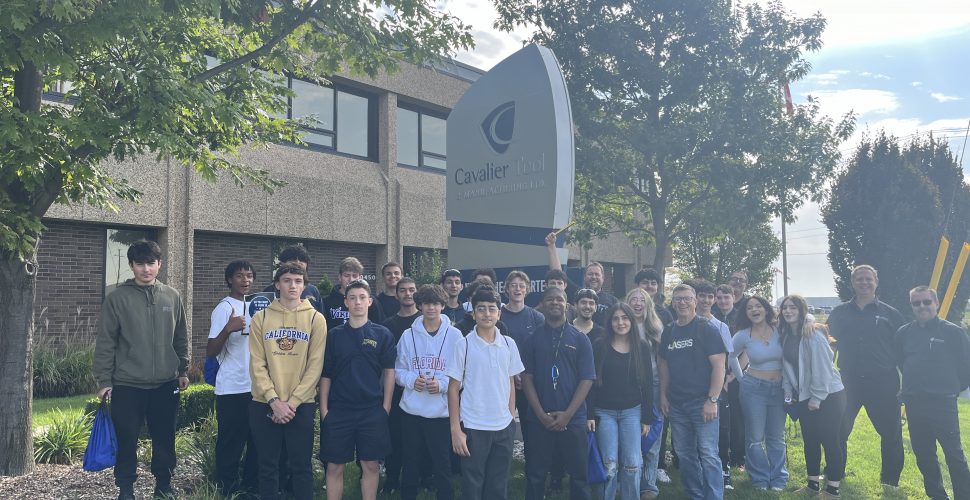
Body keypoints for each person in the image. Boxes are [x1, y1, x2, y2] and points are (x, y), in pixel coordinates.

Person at [94, 240, 189, 500]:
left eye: (151, 263)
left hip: (165, 383)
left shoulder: (172, 296)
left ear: (160, 264)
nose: (146, 269)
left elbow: (181, 335)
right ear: (131, 266)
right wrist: (104, 380)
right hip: (127, 384)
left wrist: (183, 369)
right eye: (140, 264)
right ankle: (126, 489)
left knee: (165, 438)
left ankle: (163, 486)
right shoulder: (116, 298)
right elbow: (105, 342)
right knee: (126, 440)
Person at [248, 263, 327, 500]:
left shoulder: (316, 318)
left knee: (301, 467)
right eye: (287, 280)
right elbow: (256, 364)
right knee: (268, 467)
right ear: (277, 284)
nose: (293, 285)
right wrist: (274, 401)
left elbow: (315, 366)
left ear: (304, 285)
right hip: (264, 402)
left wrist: (291, 403)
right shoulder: (261, 317)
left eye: (298, 281)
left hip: (300, 405)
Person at [827, 264, 905, 488]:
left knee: (891, 433)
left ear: (876, 282)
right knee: (838, 430)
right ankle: (835, 474)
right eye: (859, 279)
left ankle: (890, 481)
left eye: (868, 279)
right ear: (852, 282)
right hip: (847, 381)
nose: (864, 282)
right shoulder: (839, 313)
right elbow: (829, 347)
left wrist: (906, 384)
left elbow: (902, 350)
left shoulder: (890, 313)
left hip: (884, 382)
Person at [319, 279, 396, 500]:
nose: (357, 302)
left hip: (371, 410)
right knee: (334, 467)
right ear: (345, 302)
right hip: (339, 410)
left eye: (362, 297)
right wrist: (324, 410)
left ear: (370, 301)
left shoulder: (382, 334)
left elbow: (389, 372)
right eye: (352, 298)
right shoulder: (334, 335)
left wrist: (386, 406)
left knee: (370, 465)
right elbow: (326, 374)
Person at [446, 287, 525, 500]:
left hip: (503, 427)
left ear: (499, 313)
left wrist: (510, 416)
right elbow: (453, 388)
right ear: (473, 313)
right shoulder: (463, 345)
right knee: (473, 485)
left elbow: (510, 381)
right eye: (481, 309)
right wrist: (456, 429)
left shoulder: (509, 344)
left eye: (492, 309)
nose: (487, 314)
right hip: (473, 426)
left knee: (498, 486)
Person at [895, 286, 970, 500]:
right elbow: (902, 362)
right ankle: (937, 496)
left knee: (954, 455)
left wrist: (950, 388)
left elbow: (966, 366)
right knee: (924, 454)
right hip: (915, 404)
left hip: (943, 404)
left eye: (926, 302)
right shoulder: (904, 333)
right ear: (912, 306)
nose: (922, 306)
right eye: (916, 303)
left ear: (936, 303)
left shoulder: (953, 332)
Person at [521, 286, 596, 500]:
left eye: (559, 300)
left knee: (579, 475)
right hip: (538, 419)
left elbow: (587, 379)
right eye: (550, 299)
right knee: (535, 474)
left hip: (573, 419)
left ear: (567, 305)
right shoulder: (532, 339)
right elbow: (526, 379)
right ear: (543, 305)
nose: (555, 303)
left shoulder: (580, 339)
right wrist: (540, 415)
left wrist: (567, 415)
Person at [658, 284, 725, 500]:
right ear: (673, 302)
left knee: (708, 454)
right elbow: (663, 364)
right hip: (677, 404)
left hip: (702, 402)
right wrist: (663, 395)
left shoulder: (706, 328)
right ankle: (695, 495)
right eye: (678, 299)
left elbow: (719, 366)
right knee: (685, 455)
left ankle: (714, 496)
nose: (682, 303)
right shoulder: (669, 331)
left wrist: (712, 399)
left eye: (687, 298)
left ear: (695, 301)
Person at [395, 284, 462, 500]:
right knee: (410, 461)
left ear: (442, 306)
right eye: (426, 303)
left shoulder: (455, 335)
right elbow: (398, 372)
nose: (431, 308)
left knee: (442, 464)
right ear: (420, 305)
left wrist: (441, 385)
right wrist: (412, 380)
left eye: (436, 303)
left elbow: (461, 375)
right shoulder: (407, 335)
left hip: (440, 414)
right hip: (411, 412)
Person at [779, 295, 846, 498]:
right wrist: (789, 394)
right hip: (804, 396)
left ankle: (833, 489)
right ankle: (812, 485)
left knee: (830, 440)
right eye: (785, 308)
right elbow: (788, 369)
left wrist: (817, 398)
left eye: (793, 308)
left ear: (801, 311)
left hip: (829, 395)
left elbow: (823, 369)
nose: (788, 311)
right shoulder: (786, 334)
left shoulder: (813, 334)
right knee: (810, 441)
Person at [587, 303, 654, 500]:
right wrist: (589, 414)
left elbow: (649, 384)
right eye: (616, 318)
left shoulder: (641, 346)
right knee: (609, 464)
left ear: (631, 321)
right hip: (604, 412)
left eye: (625, 318)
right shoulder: (599, 345)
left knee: (633, 464)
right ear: (610, 322)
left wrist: (647, 418)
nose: (621, 322)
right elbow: (589, 382)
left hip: (632, 412)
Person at [207, 260, 259, 496]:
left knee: (255, 440)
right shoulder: (224, 308)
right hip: (232, 387)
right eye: (239, 276)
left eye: (249, 276)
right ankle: (227, 487)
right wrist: (228, 328)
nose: (245, 280)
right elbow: (211, 350)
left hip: (257, 387)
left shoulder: (258, 306)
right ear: (229, 280)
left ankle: (250, 485)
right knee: (231, 441)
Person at [688, 279, 742, 492]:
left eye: (711, 296)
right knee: (693, 432)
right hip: (690, 387)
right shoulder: (684, 323)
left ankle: (724, 470)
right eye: (703, 295)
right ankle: (697, 471)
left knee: (722, 430)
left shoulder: (720, 326)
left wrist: (730, 379)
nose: (707, 300)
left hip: (715, 387)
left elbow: (730, 356)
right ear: (695, 298)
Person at [731, 295, 788, 491]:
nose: (754, 310)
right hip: (753, 389)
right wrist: (741, 379)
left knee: (776, 437)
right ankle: (760, 478)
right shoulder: (743, 335)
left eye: (758, 306)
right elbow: (730, 356)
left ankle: (779, 478)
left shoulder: (780, 331)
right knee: (755, 437)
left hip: (779, 388)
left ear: (766, 309)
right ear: (746, 313)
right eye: (749, 308)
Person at [380, 277, 420, 494]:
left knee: (420, 436)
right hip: (395, 389)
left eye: (412, 290)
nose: (407, 293)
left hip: (424, 389)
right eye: (403, 290)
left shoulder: (426, 321)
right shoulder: (388, 326)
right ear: (396, 295)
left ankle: (423, 476)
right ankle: (393, 477)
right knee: (395, 434)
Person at [545, 231, 618, 323]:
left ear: (603, 278)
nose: (593, 277)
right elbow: (558, 274)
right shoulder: (577, 293)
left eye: (597, 274)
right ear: (584, 277)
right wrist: (551, 246)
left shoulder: (613, 301)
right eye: (590, 274)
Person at [714, 283, 745, 470]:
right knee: (720, 417)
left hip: (737, 375)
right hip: (717, 375)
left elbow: (746, 350)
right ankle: (720, 453)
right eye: (720, 297)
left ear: (733, 298)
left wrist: (733, 375)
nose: (723, 301)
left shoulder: (741, 318)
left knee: (737, 417)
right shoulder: (712, 318)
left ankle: (738, 456)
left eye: (727, 297)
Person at [323, 256, 384, 330]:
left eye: (354, 276)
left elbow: (379, 328)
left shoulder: (370, 302)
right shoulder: (327, 302)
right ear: (339, 277)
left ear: (360, 278)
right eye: (346, 275)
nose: (350, 279)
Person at [262, 244, 324, 313]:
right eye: (293, 259)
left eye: (302, 259)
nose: (298, 262)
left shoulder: (313, 290)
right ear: (282, 263)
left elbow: (321, 315)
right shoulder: (269, 291)